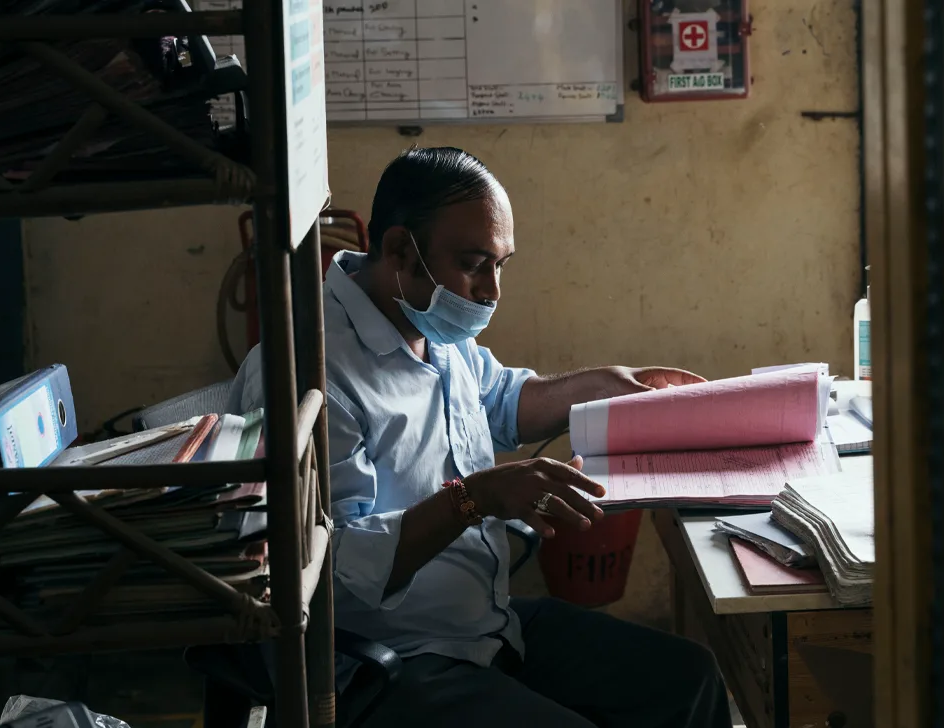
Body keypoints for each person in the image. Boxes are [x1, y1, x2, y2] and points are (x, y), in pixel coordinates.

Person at [228, 147, 733, 728]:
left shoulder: (429, 323)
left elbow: (502, 401)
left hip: (483, 622)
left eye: (501, 264)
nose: (492, 291)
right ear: (398, 251)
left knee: (688, 680)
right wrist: (476, 499)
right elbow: (330, 569)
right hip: (386, 659)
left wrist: (611, 384)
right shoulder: (310, 373)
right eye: (474, 264)